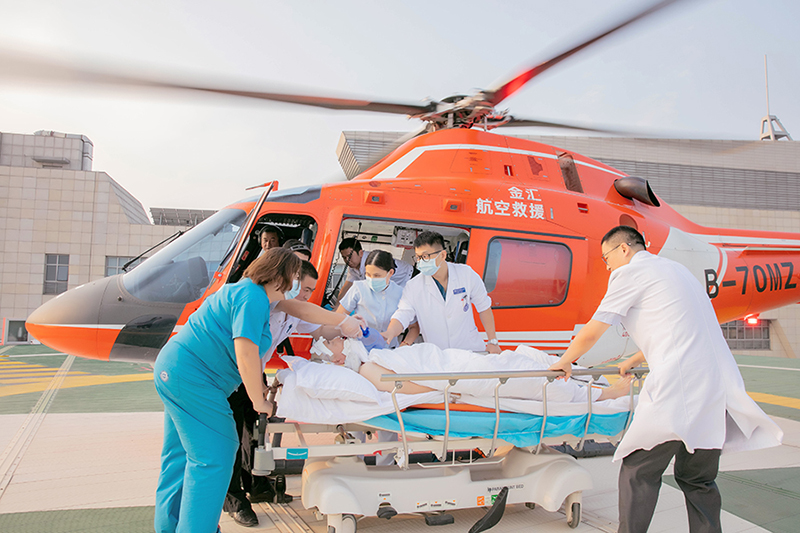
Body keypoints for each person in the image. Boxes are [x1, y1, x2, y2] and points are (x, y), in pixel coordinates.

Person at [548, 226, 783, 533]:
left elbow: (595, 328)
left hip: (679, 386)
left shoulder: (630, 273)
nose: (607, 266)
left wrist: (563, 363)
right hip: (715, 386)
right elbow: (680, 326)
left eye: (606, 258)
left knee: (638, 470)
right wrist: (635, 359)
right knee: (698, 479)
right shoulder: (677, 271)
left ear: (624, 250)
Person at [154, 248, 364, 533]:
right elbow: (246, 352)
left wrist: (343, 323)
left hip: (176, 370)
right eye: (294, 278)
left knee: (180, 457)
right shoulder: (252, 299)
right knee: (215, 455)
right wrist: (259, 399)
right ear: (280, 276)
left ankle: (171, 526)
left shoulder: (252, 295)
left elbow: (303, 311)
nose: (295, 286)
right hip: (195, 379)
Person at [223, 260, 321, 526]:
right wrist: (258, 391)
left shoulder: (292, 310)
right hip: (234, 374)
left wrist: (347, 331)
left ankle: (255, 484)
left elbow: (320, 323)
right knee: (230, 437)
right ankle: (233, 499)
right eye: (303, 288)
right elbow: (244, 351)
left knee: (252, 433)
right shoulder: (261, 304)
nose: (305, 295)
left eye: (311, 291)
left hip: (254, 375)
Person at [312, 336, 632, 401]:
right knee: (528, 378)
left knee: (519, 358)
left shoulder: (371, 359)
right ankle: (602, 393)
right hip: (459, 375)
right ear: (338, 359)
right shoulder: (368, 370)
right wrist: (448, 391)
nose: (341, 339)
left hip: (456, 363)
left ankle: (586, 378)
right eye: (335, 342)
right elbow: (405, 388)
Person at [382, 231, 502, 353]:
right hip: (439, 354)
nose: (420, 262)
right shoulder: (413, 286)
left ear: (443, 255)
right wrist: (390, 332)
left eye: (425, 256)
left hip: (470, 349)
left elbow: (484, 307)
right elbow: (403, 314)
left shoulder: (466, 274)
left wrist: (492, 341)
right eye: (418, 257)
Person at [336, 250, 419, 348]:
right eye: (368, 274)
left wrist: (403, 346)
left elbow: (414, 328)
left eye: (377, 275)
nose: (371, 279)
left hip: (389, 351)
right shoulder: (358, 288)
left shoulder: (401, 293)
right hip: (358, 348)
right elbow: (337, 317)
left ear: (390, 273)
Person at [337, 238, 413, 300]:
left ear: (360, 253)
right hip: (398, 286)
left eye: (350, 256)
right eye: (344, 257)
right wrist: (338, 305)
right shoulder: (353, 267)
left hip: (410, 276)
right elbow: (347, 285)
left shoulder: (371, 262)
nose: (347, 260)